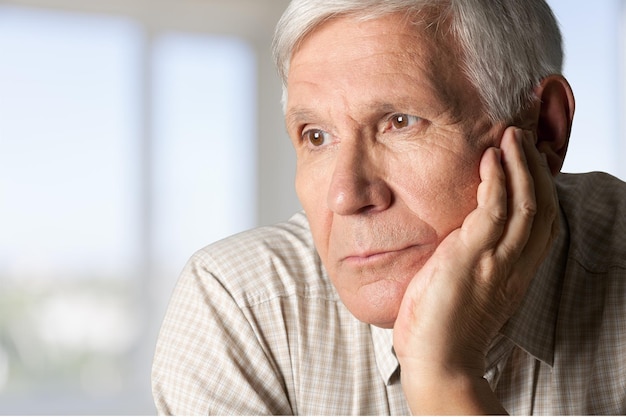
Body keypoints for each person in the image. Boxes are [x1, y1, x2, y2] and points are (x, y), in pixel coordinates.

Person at [152, 0, 626, 414]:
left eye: (399, 122)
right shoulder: (244, 308)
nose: (346, 196)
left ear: (544, 129)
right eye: (316, 137)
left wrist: (444, 381)